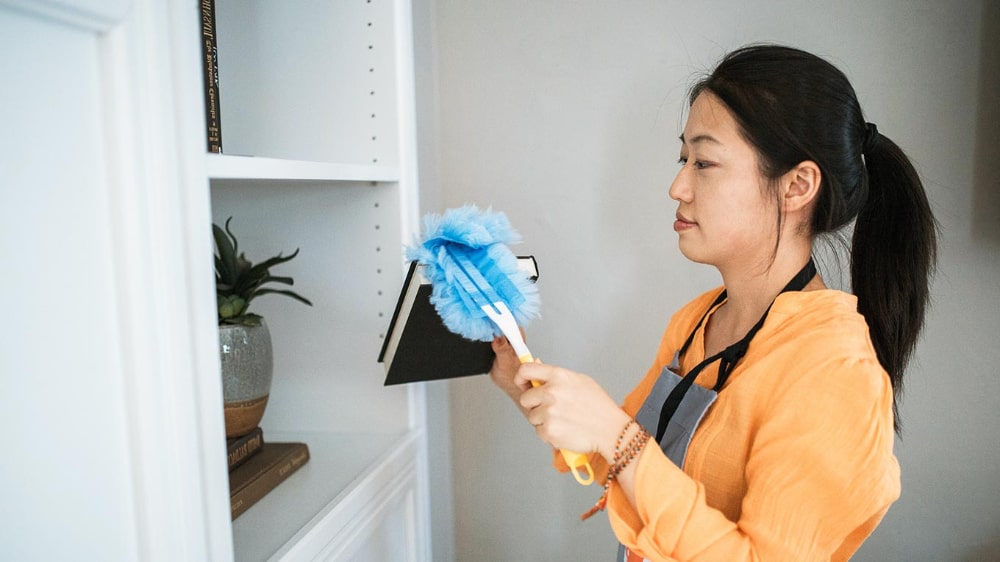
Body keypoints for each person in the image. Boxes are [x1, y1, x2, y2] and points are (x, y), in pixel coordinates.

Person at [489, 44, 937, 561]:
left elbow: (629, 449)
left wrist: (617, 437)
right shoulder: (697, 320)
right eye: (684, 158)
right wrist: (525, 379)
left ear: (797, 186)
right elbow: (629, 460)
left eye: (704, 161)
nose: (677, 186)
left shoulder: (835, 371)